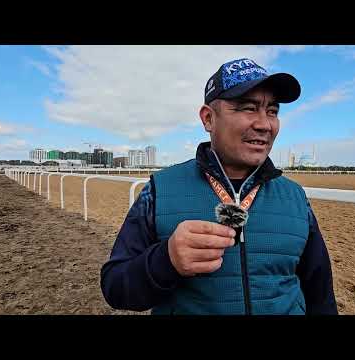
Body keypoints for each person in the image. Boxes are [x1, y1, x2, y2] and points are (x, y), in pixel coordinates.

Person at [100, 58, 338, 315]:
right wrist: (166, 260)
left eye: (272, 111)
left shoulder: (295, 196)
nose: (264, 124)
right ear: (208, 119)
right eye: (248, 108)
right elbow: (115, 287)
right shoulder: (160, 189)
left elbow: (320, 295)